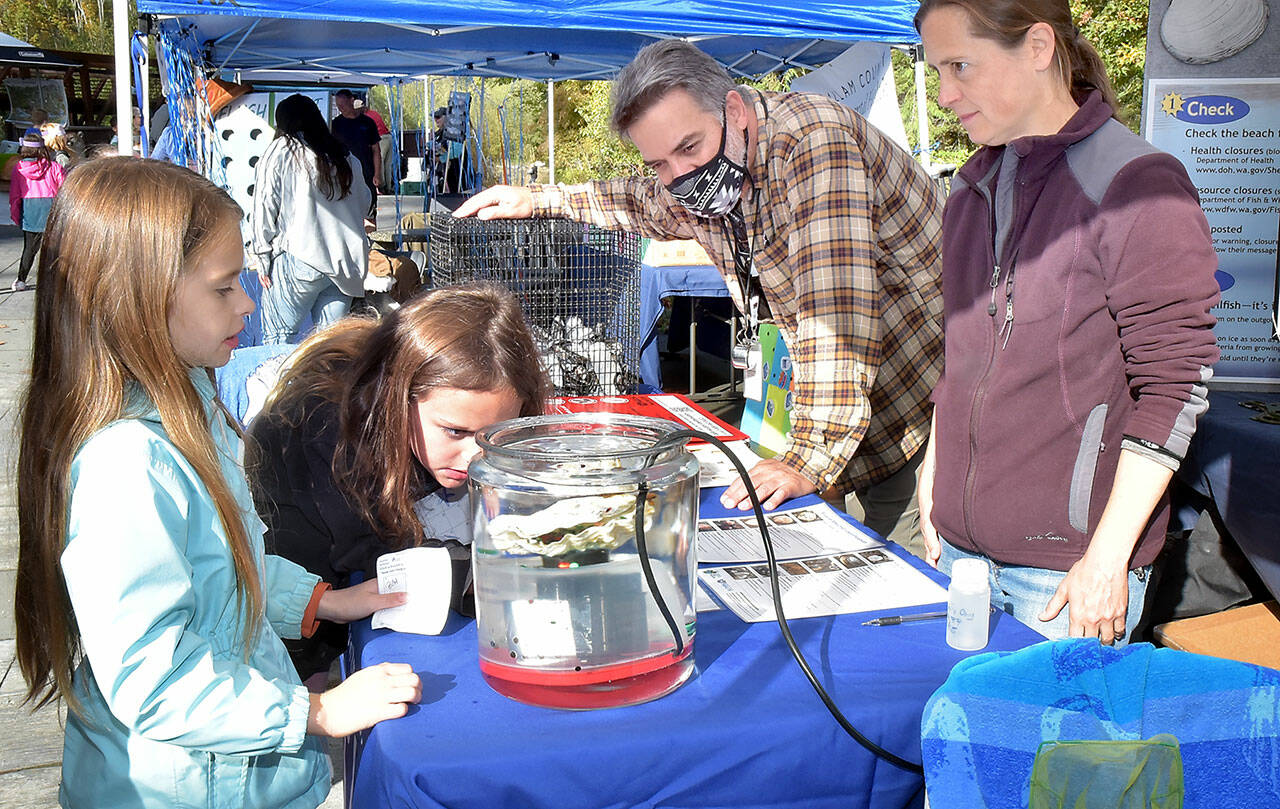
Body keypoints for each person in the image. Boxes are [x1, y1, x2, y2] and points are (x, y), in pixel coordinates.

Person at [13, 157, 422, 809]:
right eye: (224, 286)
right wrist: (311, 712)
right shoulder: (129, 463)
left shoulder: (190, 400)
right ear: (139, 297)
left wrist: (322, 600)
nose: (248, 303)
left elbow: (218, 569)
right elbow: (153, 676)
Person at [456, 39, 945, 555]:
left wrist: (805, 461)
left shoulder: (813, 144)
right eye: (660, 161)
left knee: (902, 573)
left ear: (733, 110)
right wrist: (538, 199)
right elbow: (639, 200)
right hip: (843, 416)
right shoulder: (711, 171)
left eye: (689, 148)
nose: (681, 176)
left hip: (921, 407)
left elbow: (835, 321)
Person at [913, 0, 1220, 645]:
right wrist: (932, 469)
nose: (944, 94)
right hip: (961, 555)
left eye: (960, 66)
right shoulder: (968, 192)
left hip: (1065, 576)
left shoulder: (1137, 183)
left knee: (1050, 747)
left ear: (1039, 46)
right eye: (935, 70)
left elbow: (1174, 387)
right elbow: (963, 356)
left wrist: (1107, 559)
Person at [247, 283, 549, 682]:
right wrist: (499, 572)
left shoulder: (419, 426)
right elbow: (388, 562)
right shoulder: (327, 434)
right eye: (455, 432)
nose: (472, 458)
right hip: (285, 617)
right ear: (399, 396)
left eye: (490, 437)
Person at [251, 93, 372, 344]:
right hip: (345, 265)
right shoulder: (344, 155)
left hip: (299, 257)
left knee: (278, 343)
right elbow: (364, 204)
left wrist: (262, 256)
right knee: (330, 349)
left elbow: (264, 204)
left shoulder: (281, 150)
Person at [7, 135, 65, 292]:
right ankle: (54, 279)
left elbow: (15, 195)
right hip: (52, 211)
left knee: (29, 250)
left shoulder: (18, 168)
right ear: (41, 149)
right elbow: (65, 191)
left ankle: (21, 280)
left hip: (30, 211)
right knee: (54, 249)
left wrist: (16, 216)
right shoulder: (54, 167)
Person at [330, 89, 382, 212]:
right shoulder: (335, 124)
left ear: (351, 100)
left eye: (343, 105)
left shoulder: (368, 122)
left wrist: (377, 173)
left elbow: (376, 150)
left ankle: (369, 227)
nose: (341, 108)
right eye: (338, 106)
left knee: (369, 208)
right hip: (344, 172)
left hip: (366, 171)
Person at [355, 97, 395, 189]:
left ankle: (380, 186)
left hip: (381, 138)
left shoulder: (366, 118)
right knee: (387, 165)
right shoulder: (374, 113)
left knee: (379, 161)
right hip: (388, 137)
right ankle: (388, 187)